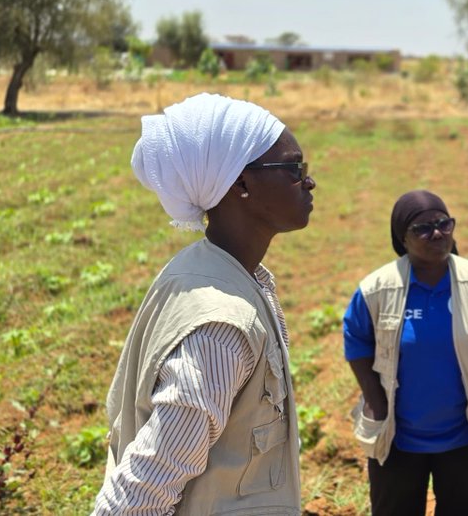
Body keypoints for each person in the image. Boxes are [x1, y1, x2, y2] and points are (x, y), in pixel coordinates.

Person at [94, 93, 316, 514]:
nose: (308, 181)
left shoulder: (223, 272)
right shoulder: (221, 325)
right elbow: (149, 479)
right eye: (293, 168)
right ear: (241, 184)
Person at [343, 190, 468, 515]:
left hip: (465, 437)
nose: (436, 234)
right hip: (397, 439)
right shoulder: (378, 289)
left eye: (443, 224)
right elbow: (356, 341)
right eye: (422, 228)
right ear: (402, 239)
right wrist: (378, 405)